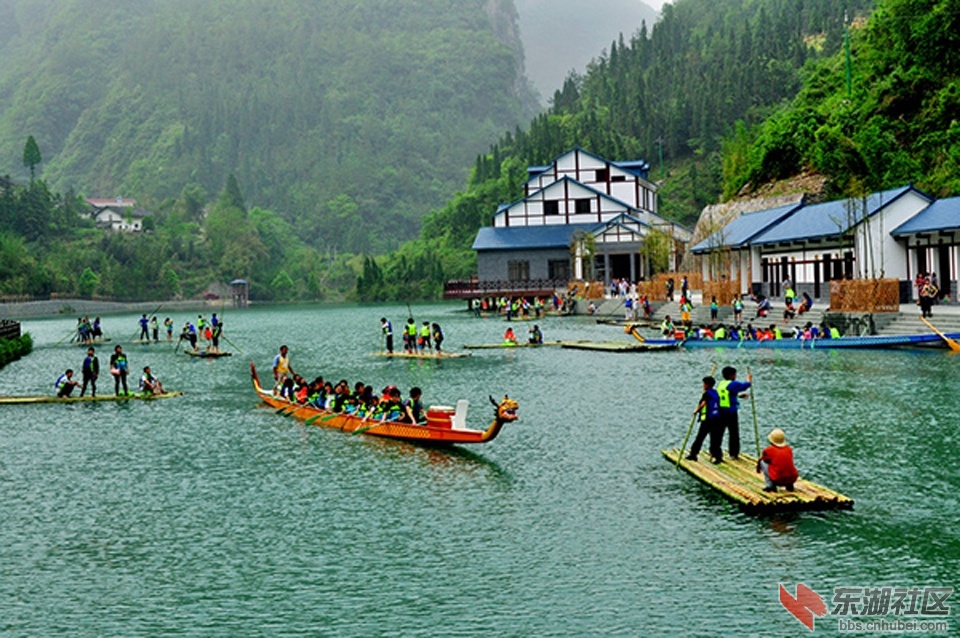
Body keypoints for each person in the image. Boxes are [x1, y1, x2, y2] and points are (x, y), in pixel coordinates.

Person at [716, 366, 752, 461]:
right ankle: (734, 453)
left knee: (719, 432)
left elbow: (726, 395)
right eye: (735, 374)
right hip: (731, 412)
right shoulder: (733, 383)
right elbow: (745, 386)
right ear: (731, 375)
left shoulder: (721, 384)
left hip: (721, 411)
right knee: (733, 433)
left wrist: (738, 396)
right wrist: (749, 380)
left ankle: (716, 452)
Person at [686, 376, 722, 464]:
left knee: (700, 437)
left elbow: (703, 403)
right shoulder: (715, 392)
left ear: (707, 385)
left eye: (704, 384)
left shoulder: (707, 394)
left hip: (708, 420)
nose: (703, 386)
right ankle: (718, 456)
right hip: (716, 418)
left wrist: (696, 411)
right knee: (714, 439)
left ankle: (693, 454)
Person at [756, 428, 799, 493]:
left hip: (778, 480)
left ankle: (770, 486)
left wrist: (758, 467)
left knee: (763, 462)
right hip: (792, 478)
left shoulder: (769, 450)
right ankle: (789, 486)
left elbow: (764, 460)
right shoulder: (789, 449)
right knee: (785, 464)